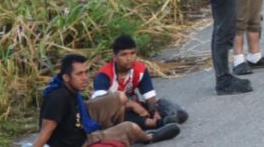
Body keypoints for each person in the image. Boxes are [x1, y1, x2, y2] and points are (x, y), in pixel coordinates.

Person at [37, 54, 178, 146]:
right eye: (79, 74)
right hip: (79, 141)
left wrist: (133, 105)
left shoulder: (71, 91)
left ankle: (115, 127)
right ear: (66, 77)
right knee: (130, 128)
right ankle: (149, 137)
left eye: (86, 72)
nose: (85, 77)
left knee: (119, 97)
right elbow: (45, 132)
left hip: (80, 119)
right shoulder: (58, 98)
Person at [90, 35, 186, 135]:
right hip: (113, 114)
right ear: (115, 57)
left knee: (162, 104)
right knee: (124, 114)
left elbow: (150, 97)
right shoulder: (103, 75)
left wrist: (154, 112)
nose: (129, 58)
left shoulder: (140, 70)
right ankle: (158, 124)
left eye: (132, 53)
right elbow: (100, 106)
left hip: (136, 108)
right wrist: (131, 105)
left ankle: (167, 118)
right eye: (124, 55)